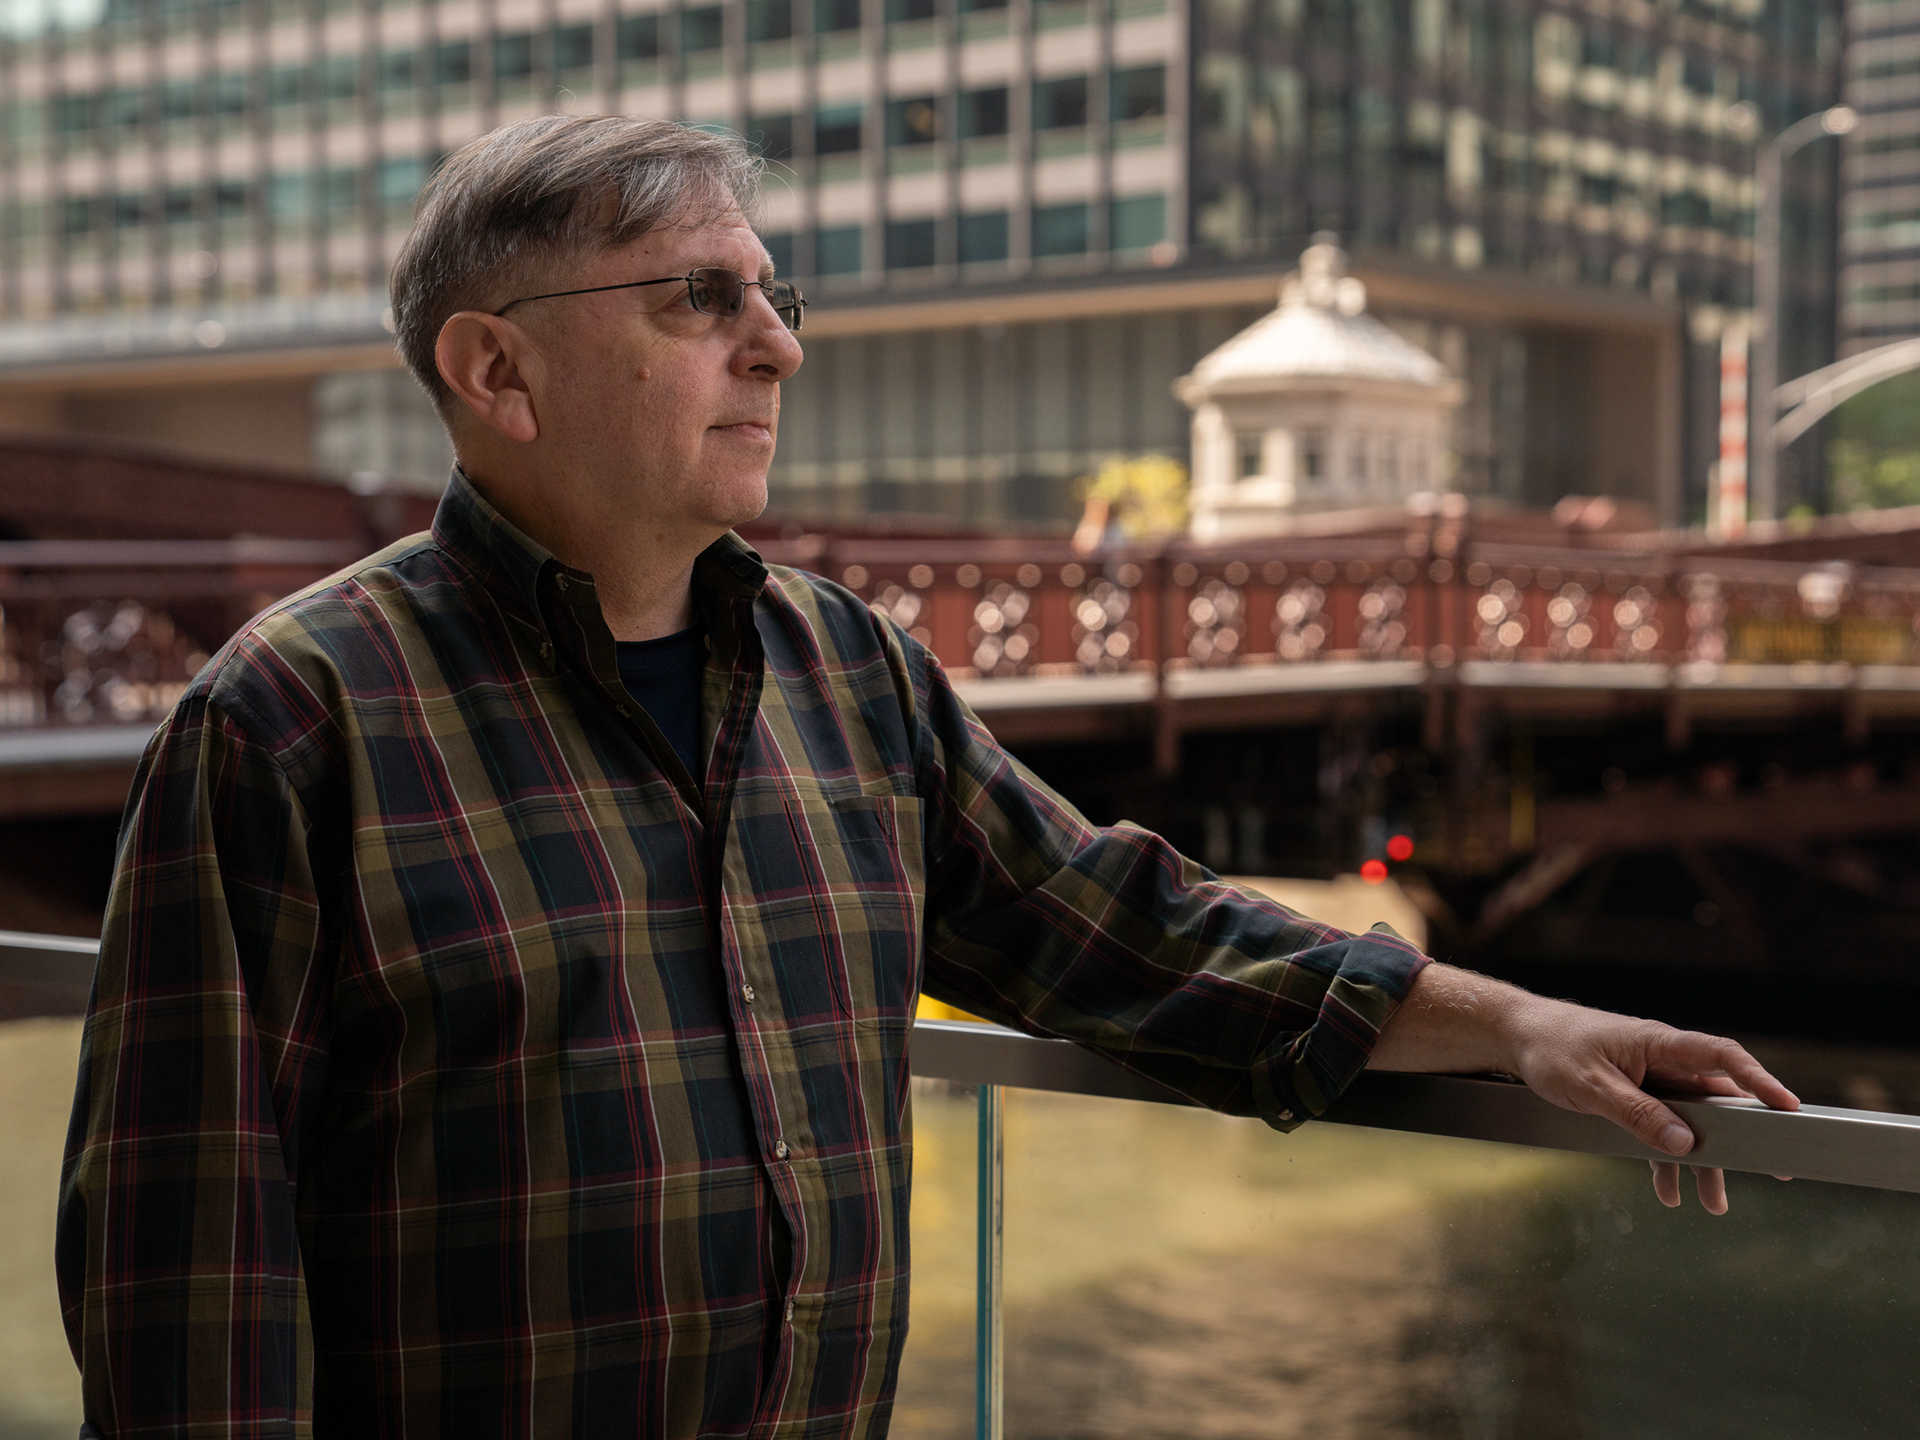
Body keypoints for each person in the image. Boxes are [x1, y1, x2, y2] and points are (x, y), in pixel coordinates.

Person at [57, 115, 1796, 1438]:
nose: (777, 345)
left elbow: (1130, 934)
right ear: (493, 369)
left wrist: (1517, 1027)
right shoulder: (292, 722)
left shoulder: (847, 672)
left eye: (770, 297)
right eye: (698, 300)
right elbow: (184, 1289)